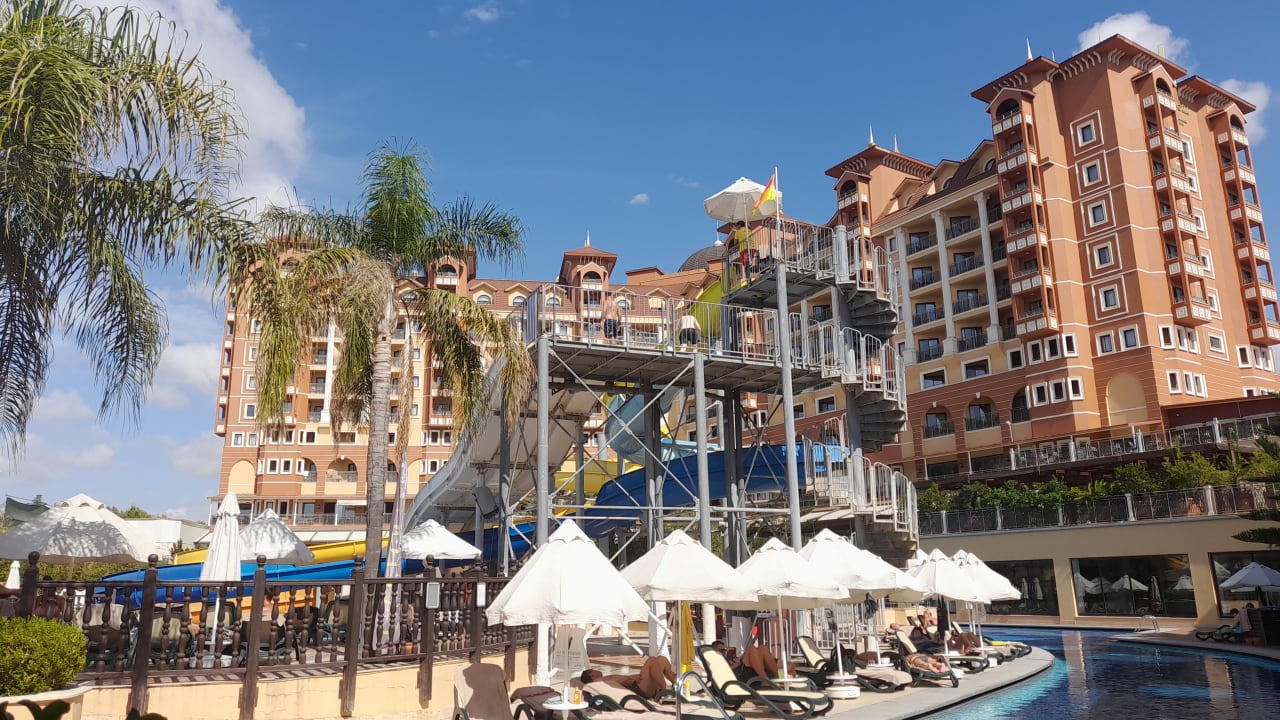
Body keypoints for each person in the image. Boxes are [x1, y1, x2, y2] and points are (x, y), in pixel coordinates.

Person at [580, 655, 675, 699]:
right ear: (591, 674)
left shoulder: (600, 680)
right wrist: (629, 678)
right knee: (652, 660)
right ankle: (664, 690)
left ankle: (675, 683)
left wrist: (629, 677)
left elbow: (615, 682)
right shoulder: (597, 682)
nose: (596, 670)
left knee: (661, 659)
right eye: (593, 670)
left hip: (637, 686)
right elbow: (614, 682)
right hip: (637, 690)